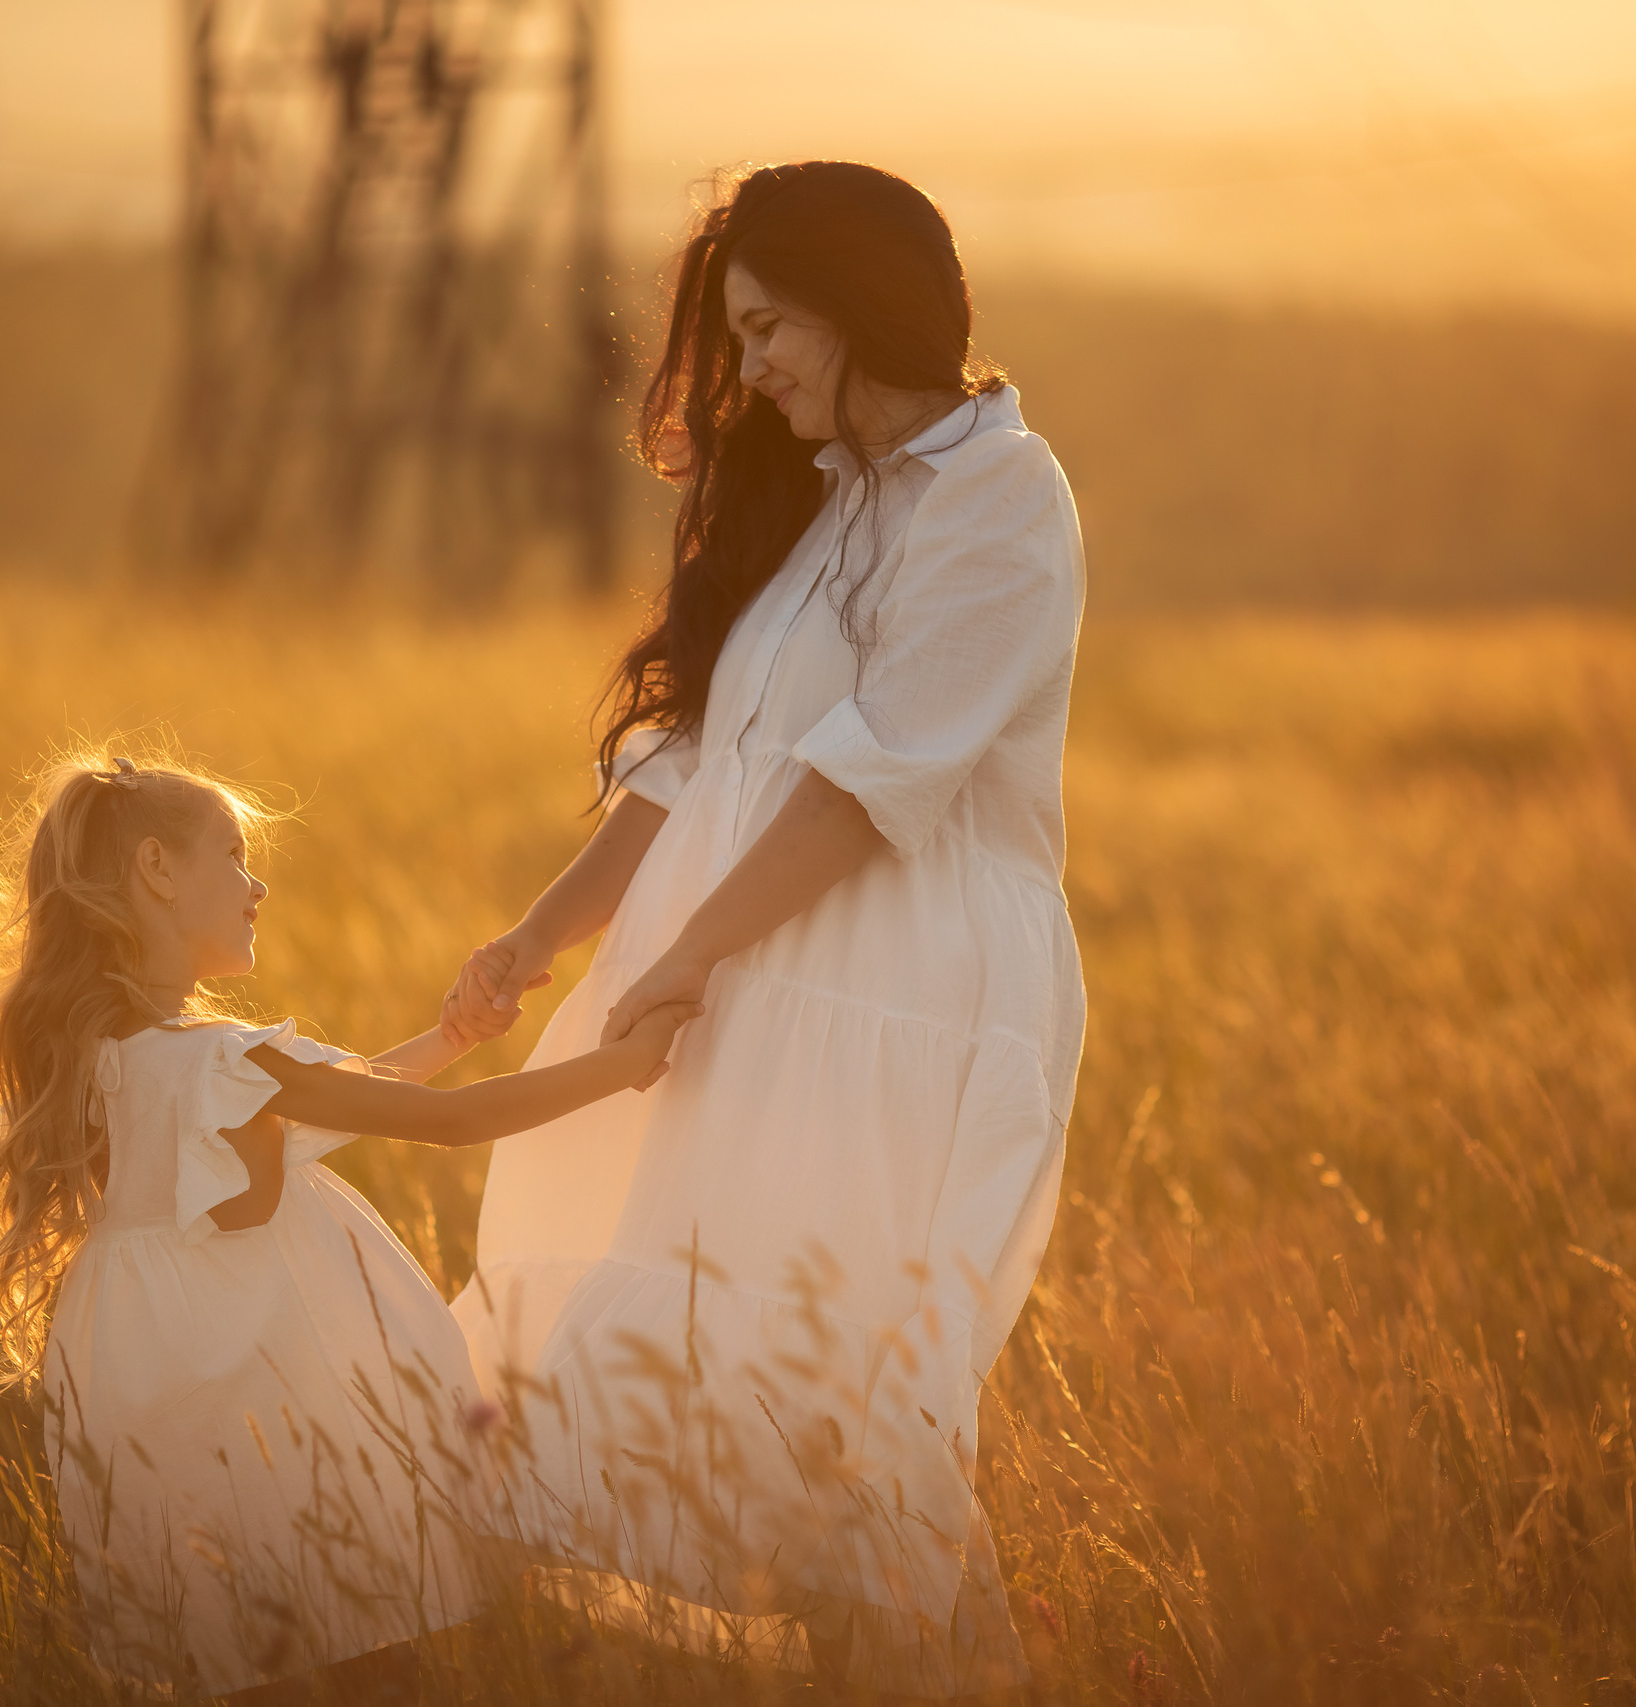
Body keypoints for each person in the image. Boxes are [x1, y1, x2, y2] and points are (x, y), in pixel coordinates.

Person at [442, 161, 1087, 1694]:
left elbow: (867, 790)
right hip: (749, 991)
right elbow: (699, 765)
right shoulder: (826, 503)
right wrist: (537, 942)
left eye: (769, 326)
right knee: (713, 1379)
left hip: (894, 1010)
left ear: (860, 309)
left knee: (852, 1417)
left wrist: (683, 962)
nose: (753, 368)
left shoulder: (1001, 496)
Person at [0, 747, 697, 1700]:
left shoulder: (96, 1056)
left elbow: (329, 1100)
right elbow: (454, 1124)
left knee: (235, 1648)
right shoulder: (224, 1060)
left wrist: (450, 1038)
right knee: (347, 1633)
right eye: (232, 854)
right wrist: (626, 1061)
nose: (255, 882)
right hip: (267, 1386)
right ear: (156, 871)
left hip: (143, 1381)